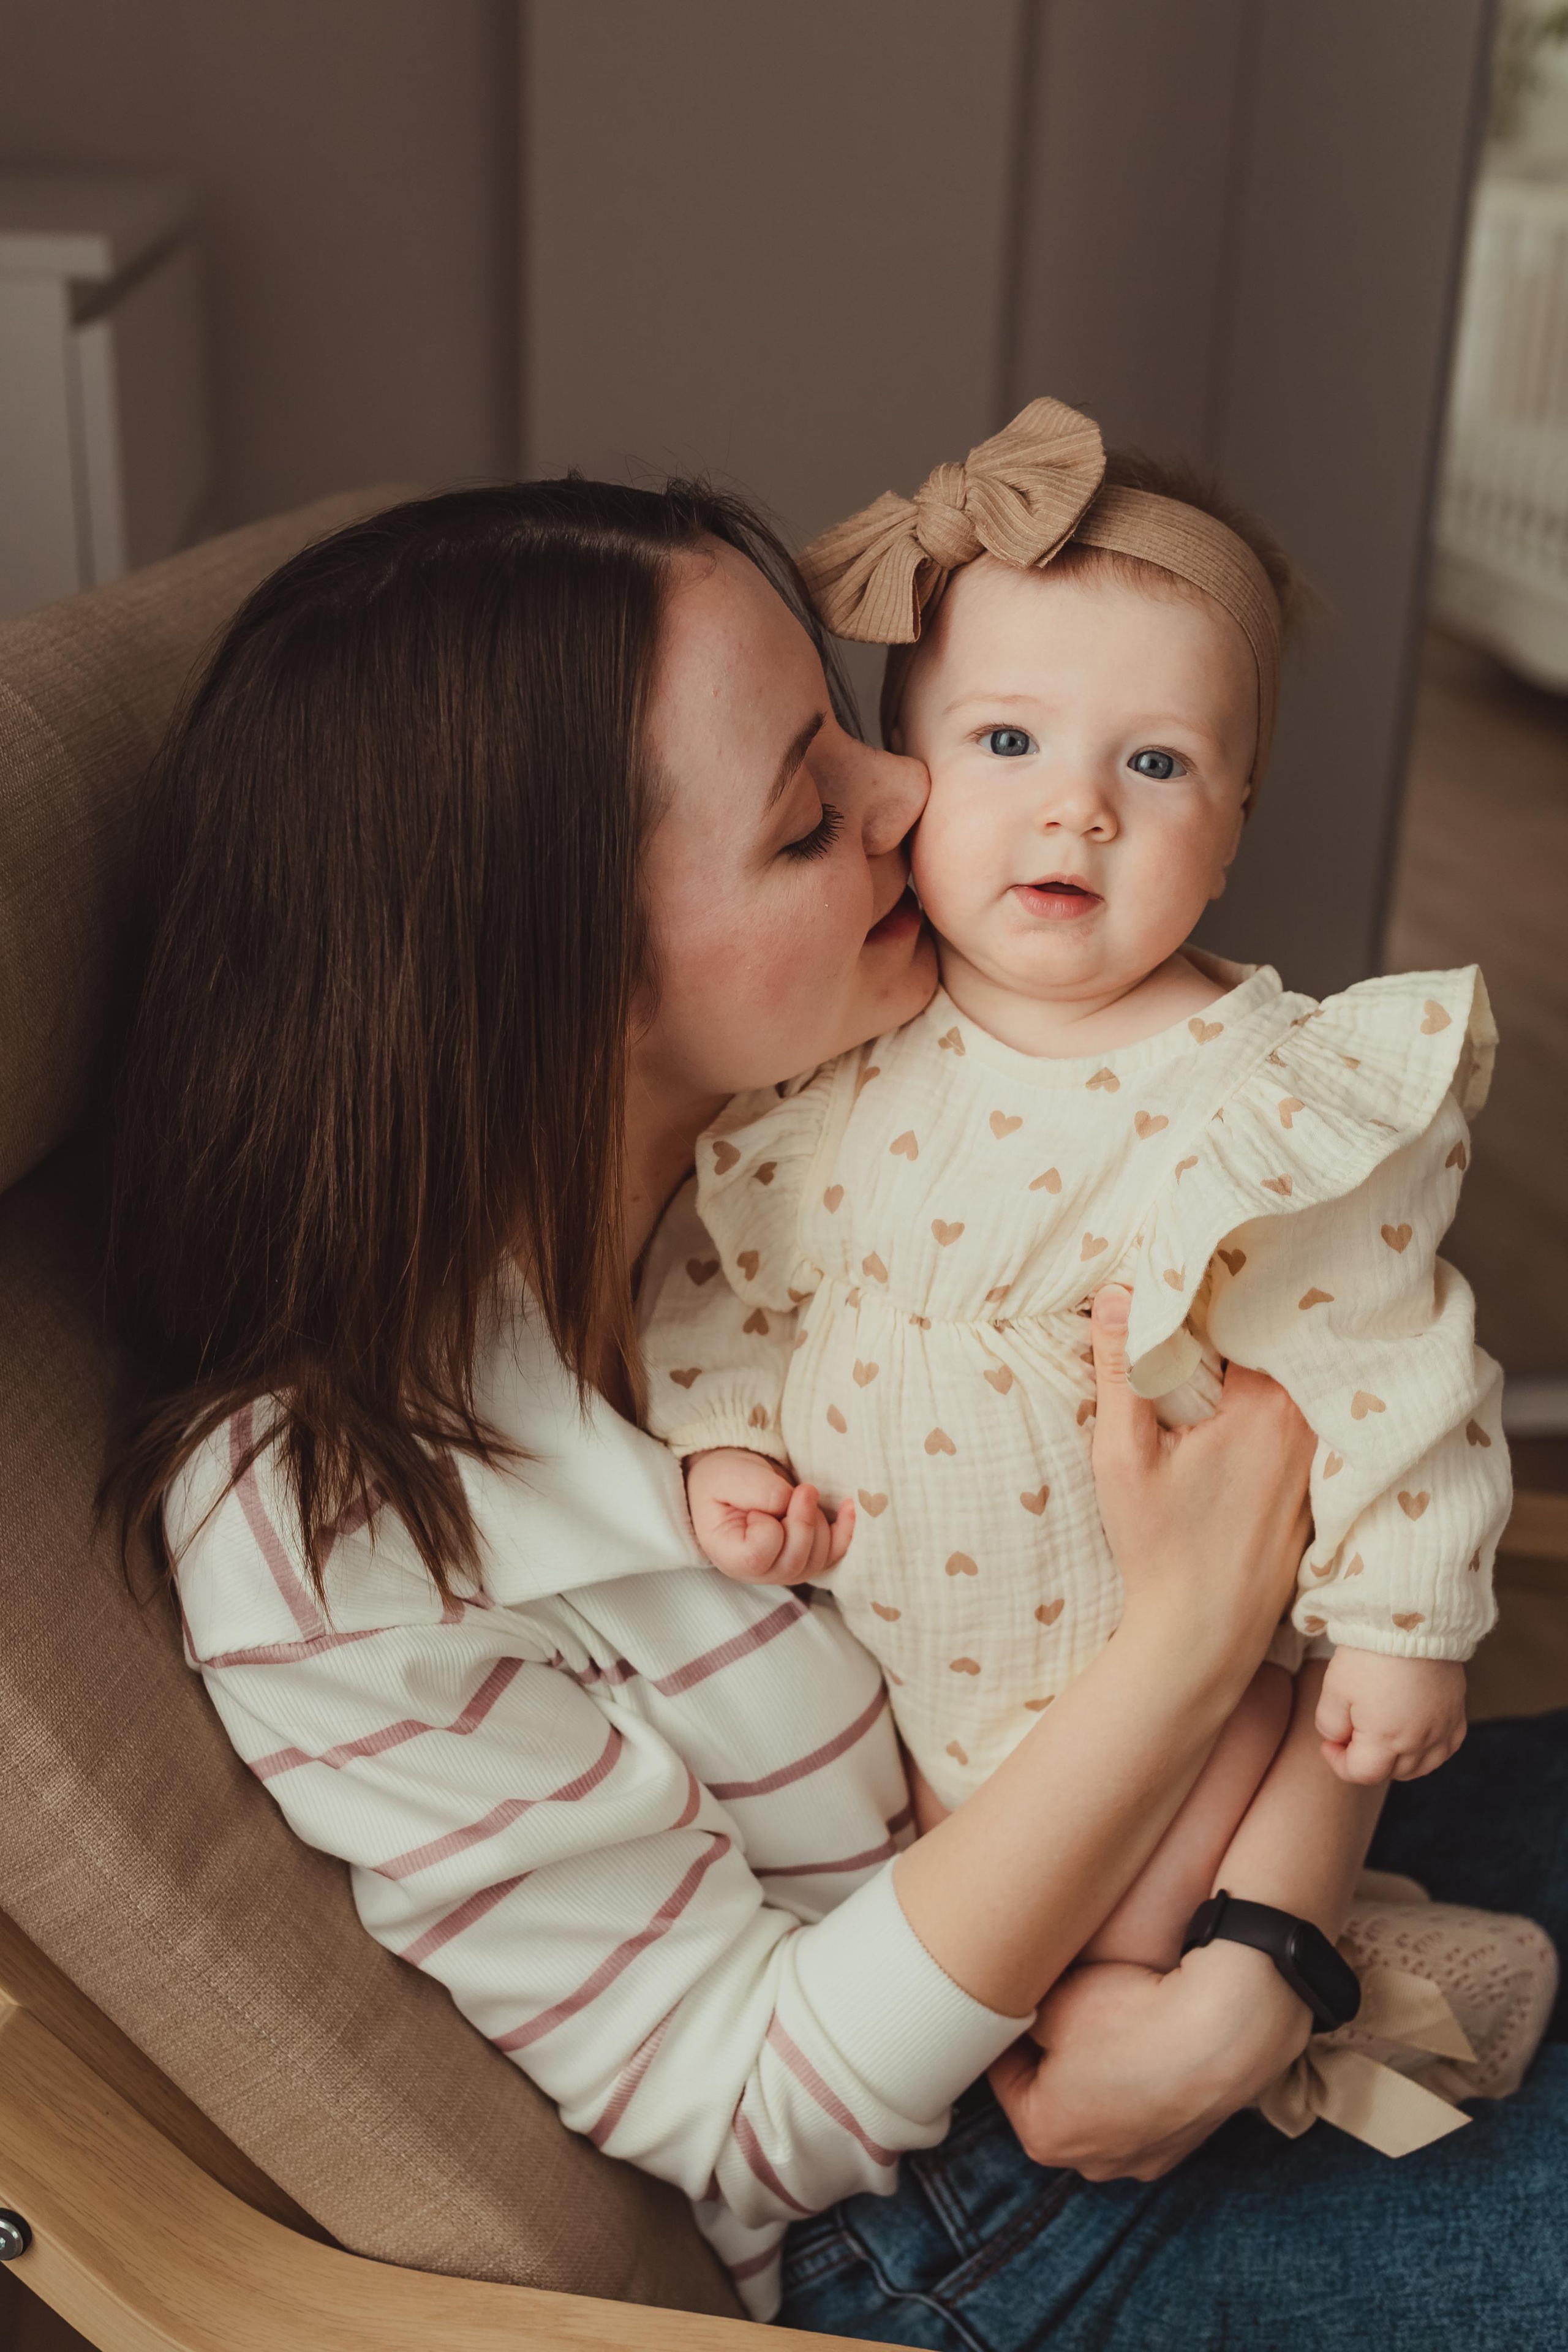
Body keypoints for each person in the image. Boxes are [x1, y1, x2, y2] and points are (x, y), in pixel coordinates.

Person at [101, 477, 1568, 2346]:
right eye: (811, 812)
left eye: (859, 731)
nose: (913, 796)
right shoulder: (332, 1530)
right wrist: (1198, 1648)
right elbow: (747, 2099)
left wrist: (1269, 1939)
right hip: (968, 2189)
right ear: (552, 972)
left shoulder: (857, 1123)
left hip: (1241, 1862)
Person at [639, 396, 1512, 1997]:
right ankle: (1378, 1974)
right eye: (1008, 740)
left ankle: (1379, 1966)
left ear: (1235, 821)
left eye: (1159, 763)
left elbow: (1399, 1367)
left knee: (1114, 1951)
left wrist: (1406, 1622)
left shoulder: (1262, 1097)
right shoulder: (855, 1040)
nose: (1079, 807)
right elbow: (730, 1268)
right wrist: (726, 1433)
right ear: (911, 773)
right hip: (909, 1679)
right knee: (962, 1923)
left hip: (1155, 1684)